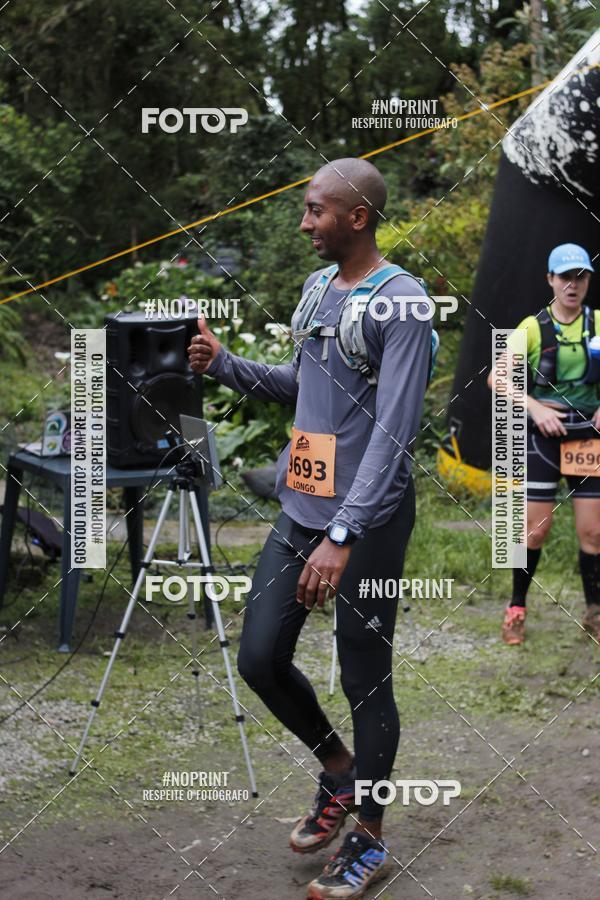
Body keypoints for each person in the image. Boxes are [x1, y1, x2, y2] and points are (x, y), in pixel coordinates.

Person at [188, 157, 432, 899]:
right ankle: (338, 772)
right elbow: (308, 386)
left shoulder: (405, 305)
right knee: (260, 657)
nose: (304, 223)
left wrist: (345, 535)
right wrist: (226, 364)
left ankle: (370, 838)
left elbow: (393, 433)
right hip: (304, 508)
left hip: (370, 522)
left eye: (316, 211)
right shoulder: (319, 289)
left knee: (364, 678)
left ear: (357, 217)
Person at [487, 243, 600, 646]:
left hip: (587, 437)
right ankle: (516, 607)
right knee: (534, 532)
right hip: (544, 438)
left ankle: (594, 612)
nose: (573, 285)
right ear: (551, 280)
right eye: (565, 277)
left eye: (580, 276)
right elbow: (496, 379)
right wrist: (534, 407)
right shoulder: (531, 327)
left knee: (594, 534)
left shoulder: (599, 323)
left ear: (588, 280)